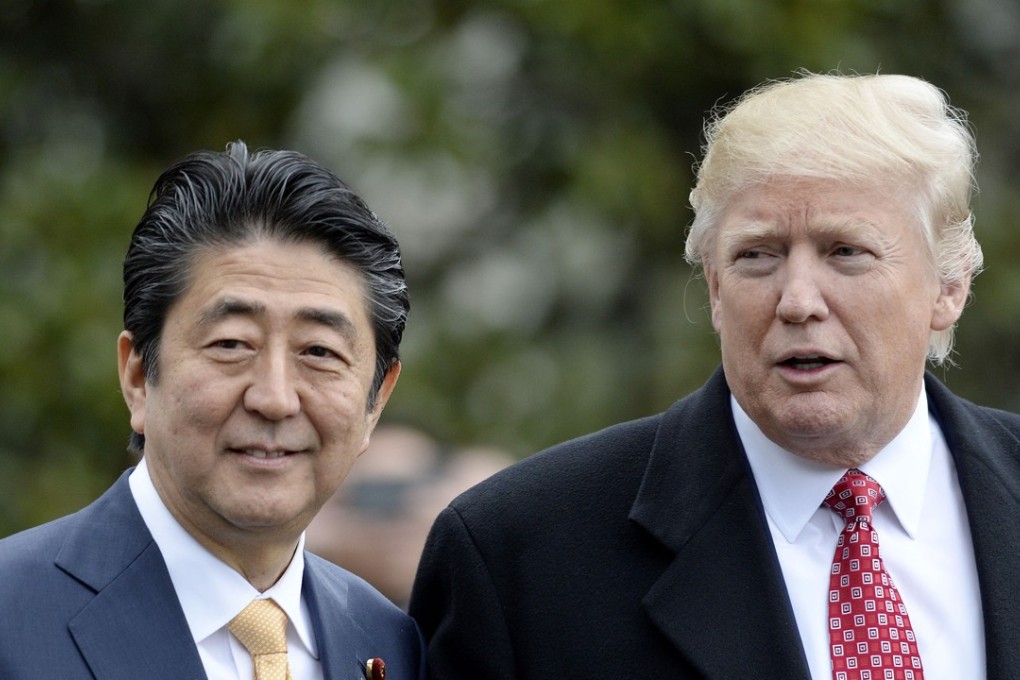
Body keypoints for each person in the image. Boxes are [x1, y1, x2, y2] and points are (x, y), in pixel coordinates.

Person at [409, 71, 1020, 679]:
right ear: (715, 287)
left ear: (950, 285)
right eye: (758, 255)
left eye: (845, 251)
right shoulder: (519, 552)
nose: (797, 300)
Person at [0, 142, 425, 679]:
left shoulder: (393, 642)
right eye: (231, 344)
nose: (274, 398)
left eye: (319, 352)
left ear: (375, 402)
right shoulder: (12, 619)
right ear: (137, 377)